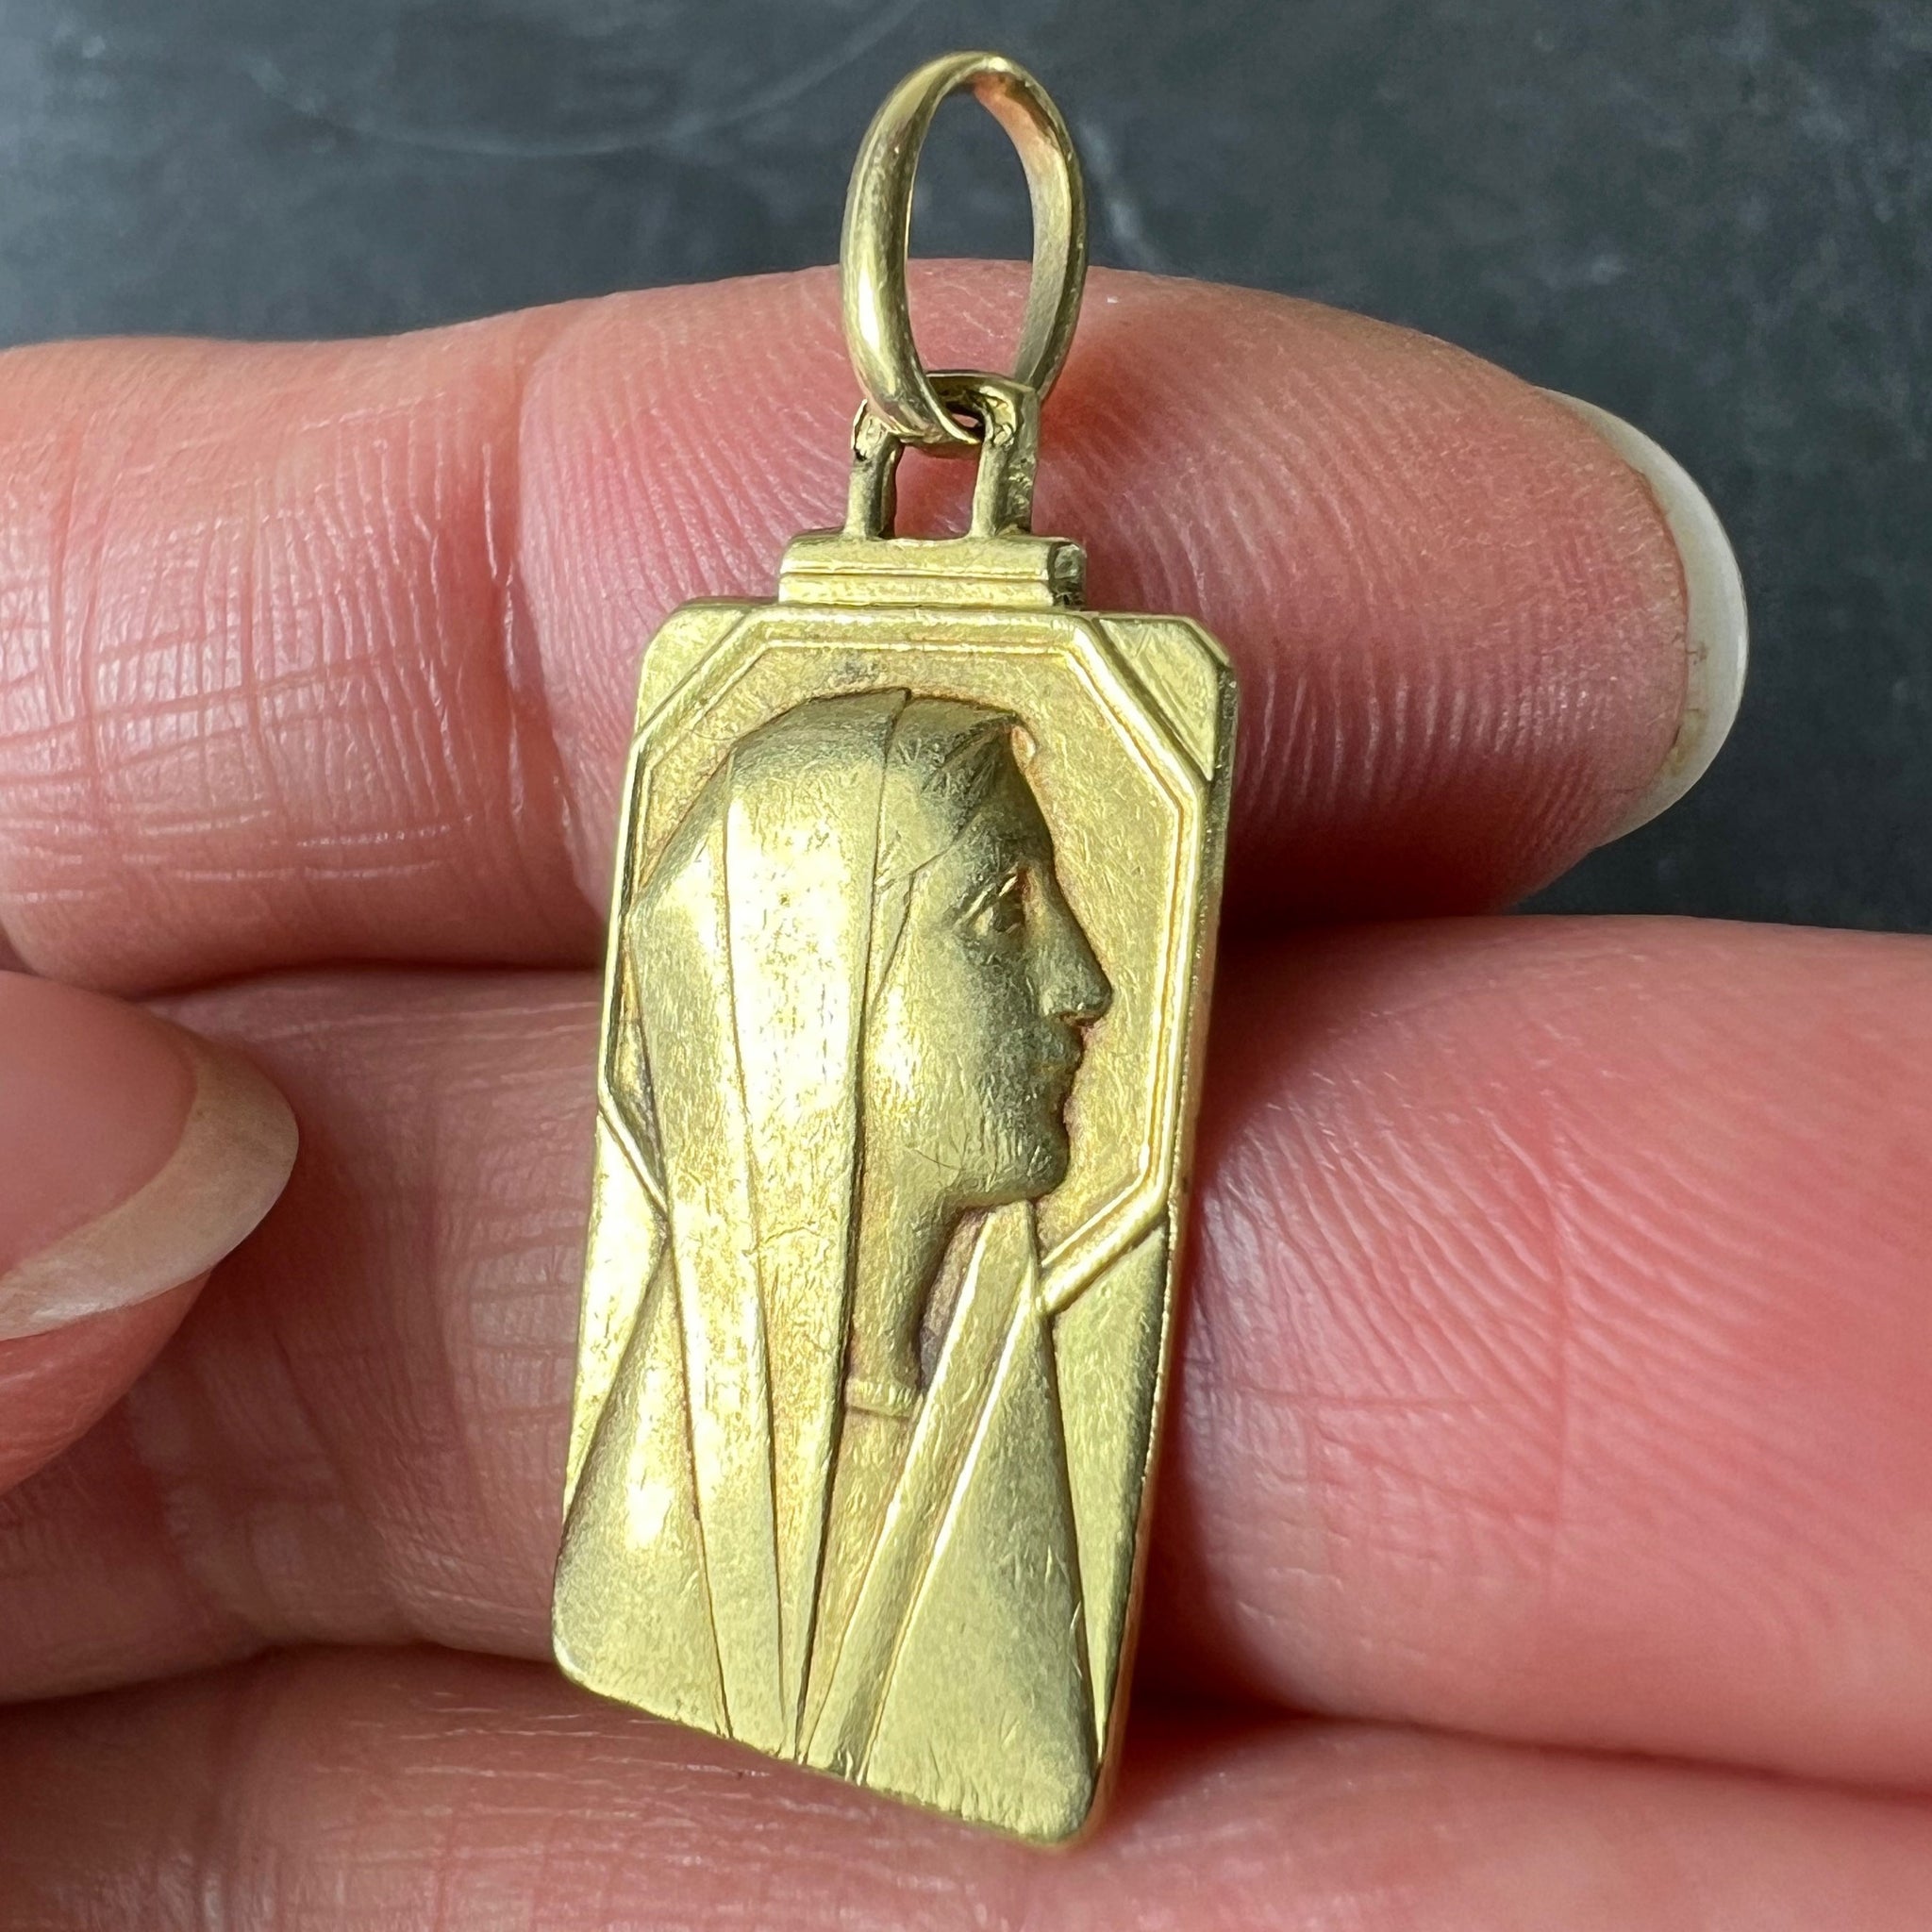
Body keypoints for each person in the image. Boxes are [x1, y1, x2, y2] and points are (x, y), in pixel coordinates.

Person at [1, 262, 1926, 1924]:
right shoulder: (666, 1517)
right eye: (1010, 914)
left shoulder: (999, 1415)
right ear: (820, 981)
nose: (1091, 982)